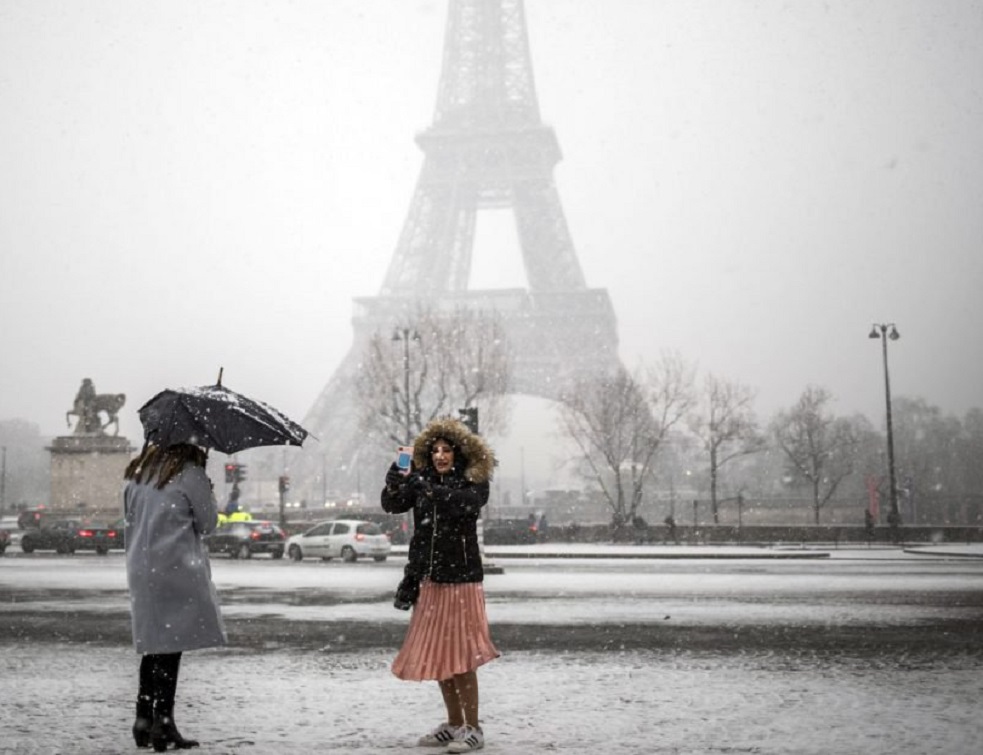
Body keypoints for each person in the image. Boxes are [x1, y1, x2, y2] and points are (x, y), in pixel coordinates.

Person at [381, 417, 499, 753]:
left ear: (458, 453)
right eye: (434, 451)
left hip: (460, 580)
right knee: (440, 654)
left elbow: (464, 503)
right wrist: (393, 483)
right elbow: (392, 505)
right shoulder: (424, 480)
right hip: (430, 579)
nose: (440, 456)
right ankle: (453, 723)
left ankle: (473, 727)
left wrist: (426, 488)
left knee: (462, 655)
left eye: (447, 450)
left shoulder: (473, 480)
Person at [123, 442, 226, 751]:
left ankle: (143, 719)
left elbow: (130, 519)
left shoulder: (140, 475)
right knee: (171, 647)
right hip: (175, 567)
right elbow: (208, 524)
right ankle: (163, 724)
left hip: (143, 568)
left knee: (153, 645)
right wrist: (208, 492)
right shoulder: (189, 475)